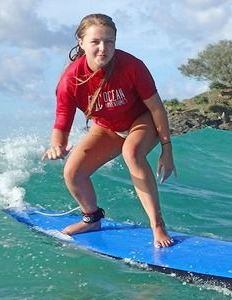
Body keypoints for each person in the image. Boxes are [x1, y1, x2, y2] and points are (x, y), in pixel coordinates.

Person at [42, 13, 176, 248]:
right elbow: (62, 121)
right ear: (81, 43)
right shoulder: (70, 80)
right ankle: (92, 219)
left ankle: (157, 225)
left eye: (109, 41)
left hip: (141, 120)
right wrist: (57, 145)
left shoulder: (132, 66)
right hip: (108, 128)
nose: (103, 48)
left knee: (132, 152)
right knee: (73, 171)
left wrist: (167, 148)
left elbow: (156, 108)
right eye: (95, 42)